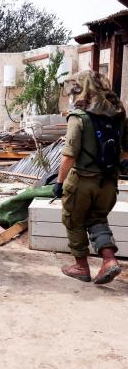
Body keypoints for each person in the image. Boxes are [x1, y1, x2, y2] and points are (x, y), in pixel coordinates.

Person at [52, 71, 128, 284]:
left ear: (81, 89)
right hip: (108, 182)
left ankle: (81, 267)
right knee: (97, 219)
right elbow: (125, 152)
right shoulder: (118, 115)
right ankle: (109, 260)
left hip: (82, 181)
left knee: (73, 221)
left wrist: (59, 184)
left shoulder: (79, 117)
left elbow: (69, 155)